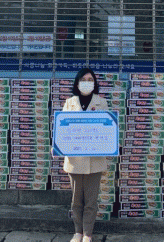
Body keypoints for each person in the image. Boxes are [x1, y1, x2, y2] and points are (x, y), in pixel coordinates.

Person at [61, 67, 109, 242]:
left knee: (91, 201)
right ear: (77, 83)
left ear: (95, 83)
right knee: (76, 201)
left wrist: (110, 143)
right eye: (83, 79)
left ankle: (87, 233)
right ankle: (77, 232)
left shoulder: (101, 102)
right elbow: (62, 128)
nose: (87, 83)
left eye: (90, 80)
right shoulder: (69, 103)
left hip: (94, 160)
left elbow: (107, 128)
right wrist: (58, 145)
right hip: (75, 160)